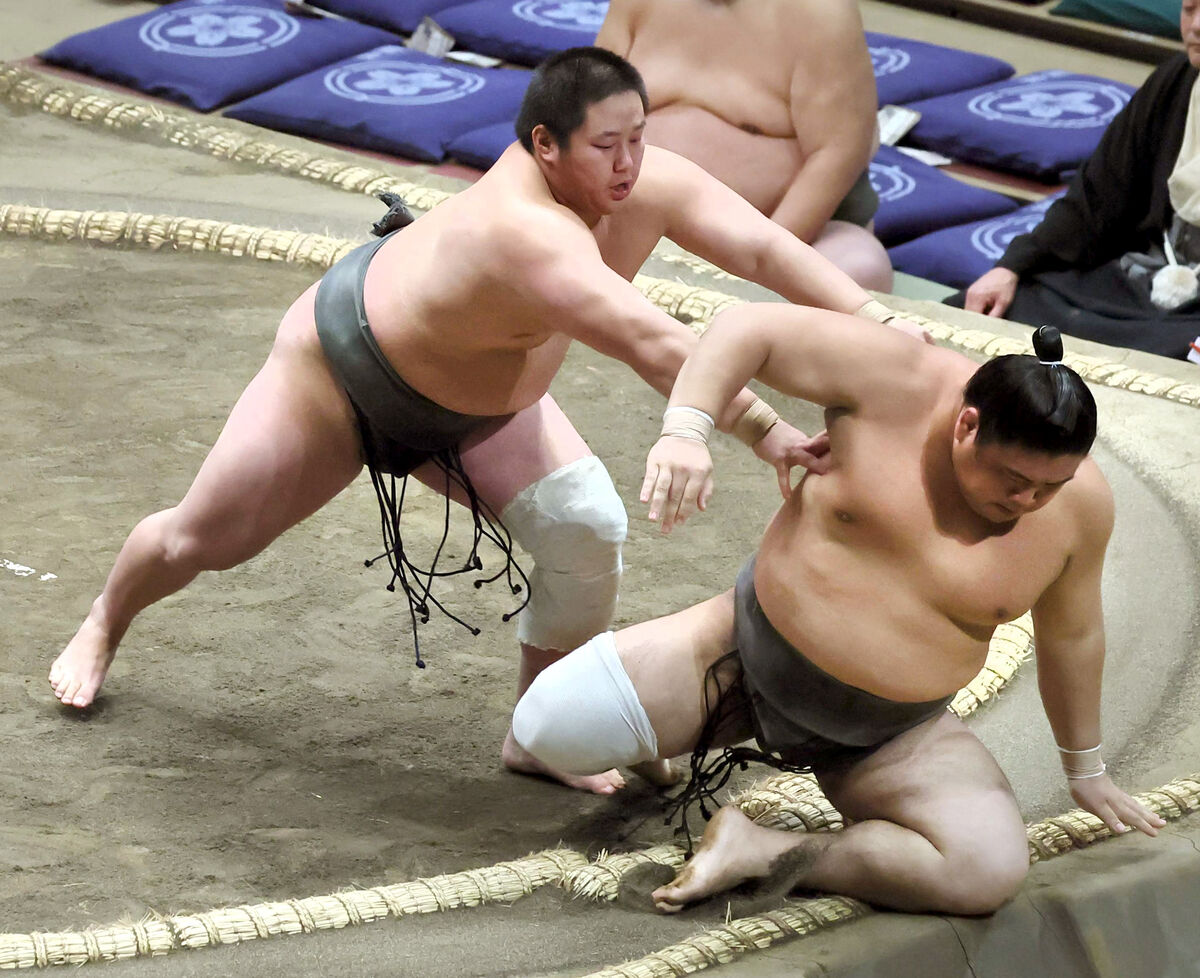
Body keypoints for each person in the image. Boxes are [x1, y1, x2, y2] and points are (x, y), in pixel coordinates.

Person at [47, 48, 917, 794]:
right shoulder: (524, 232)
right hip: (344, 378)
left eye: (639, 138)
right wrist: (763, 429)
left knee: (584, 529)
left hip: (484, 411)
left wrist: (867, 317)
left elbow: (761, 248)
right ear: (545, 146)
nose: (629, 164)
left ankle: (536, 735)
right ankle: (103, 623)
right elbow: (652, 341)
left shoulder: (642, 180)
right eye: (606, 145)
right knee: (201, 538)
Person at [512, 313, 1165, 913]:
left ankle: (757, 848)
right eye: (1012, 478)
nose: (1026, 500)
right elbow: (746, 330)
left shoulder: (1080, 510)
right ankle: (664, 735)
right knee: (552, 723)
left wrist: (1086, 769)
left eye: (1049, 487)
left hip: (890, 731)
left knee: (983, 870)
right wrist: (688, 430)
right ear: (967, 424)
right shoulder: (896, 380)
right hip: (742, 658)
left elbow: (1073, 635)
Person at [959, 1, 1200, 361]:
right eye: (1189, 9)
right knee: (1013, 307)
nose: (1195, 26)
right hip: (1146, 278)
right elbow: (1096, 200)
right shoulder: (1173, 81)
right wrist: (1012, 266)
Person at [594, 0, 892, 292]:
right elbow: (588, 109)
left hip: (782, 238)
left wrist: (761, 255)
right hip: (628, 223)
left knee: (860, 267)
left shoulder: (821, 12)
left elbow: (836, 154)